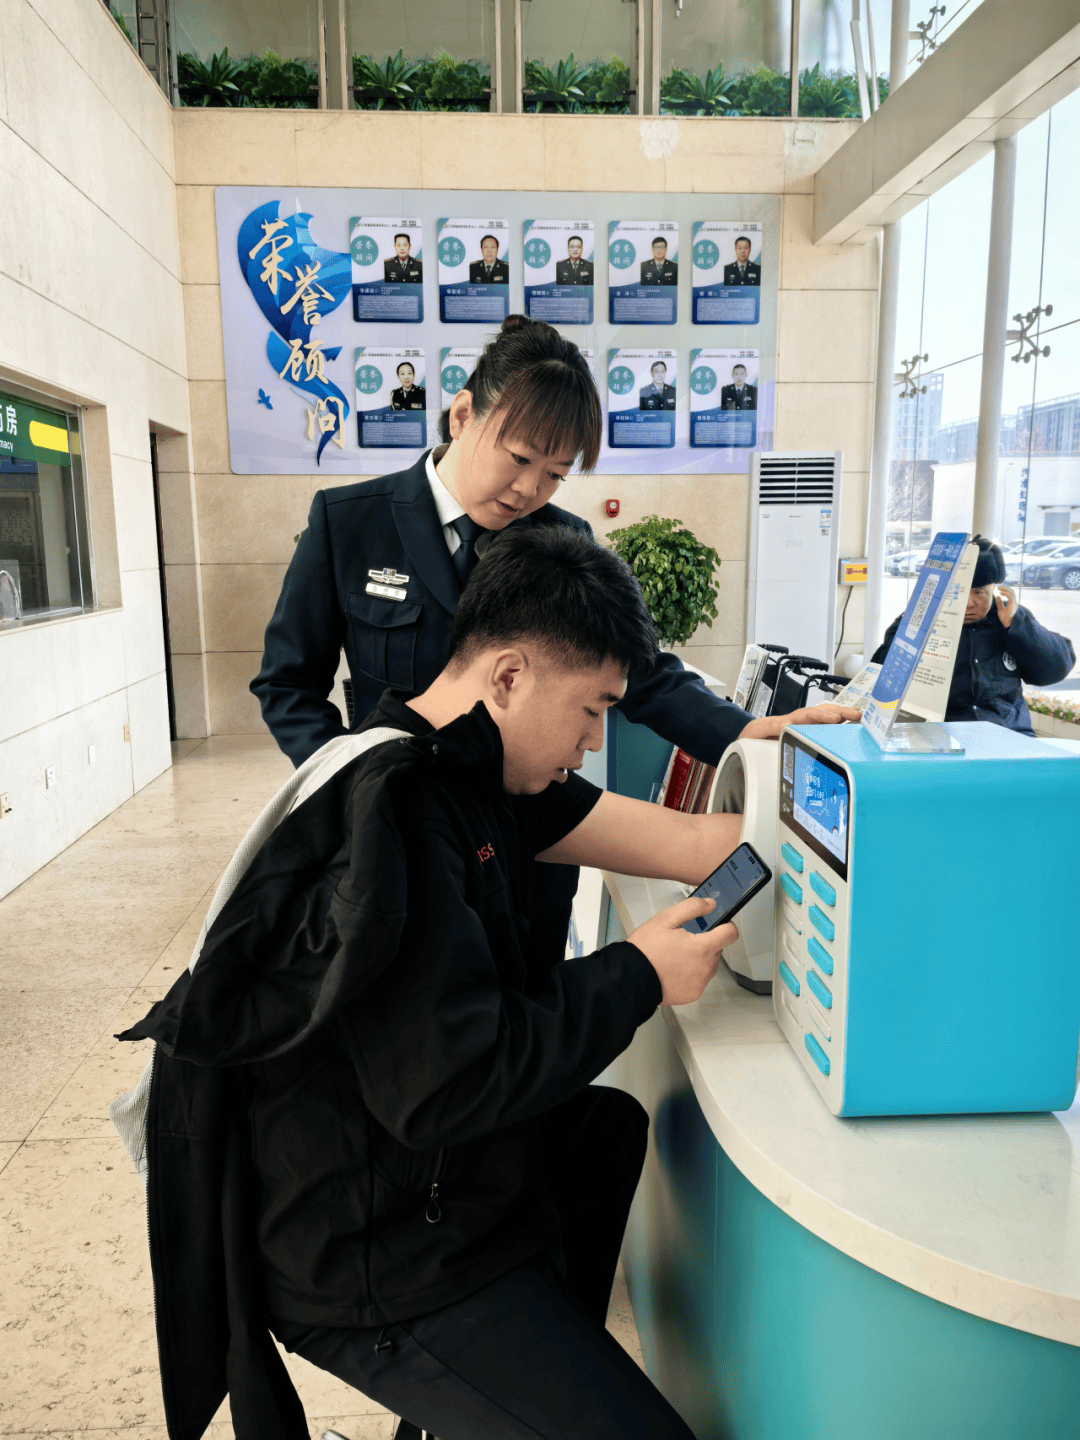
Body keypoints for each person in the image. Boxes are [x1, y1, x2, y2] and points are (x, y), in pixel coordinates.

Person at [121, 527, 747, 1440]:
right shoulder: (403, 815)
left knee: (600, 1133)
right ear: (509, 676)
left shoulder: (463, 770)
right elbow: (445, 1084)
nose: (592, 742)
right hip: (370, 1253)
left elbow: (691, 841)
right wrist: (638, 975)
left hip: (413, 1185)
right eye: (591, 709)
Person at [251, 315, 859, 974]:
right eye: (519, 459)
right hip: (403, 830)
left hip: (528, 832)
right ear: (463, 416)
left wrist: (742, 734)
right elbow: (287, 683)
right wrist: (354, 784)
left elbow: (643, 674)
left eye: (554, 475)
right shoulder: (349, 521)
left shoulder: (560, 539)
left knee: (529, 995)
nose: (528, 491)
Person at [871, 534, 1075, 734]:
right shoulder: (920, 617)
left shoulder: (1010, 615)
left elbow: (1055, 670)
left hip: (1007, 733)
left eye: (979, 593)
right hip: (942, 734)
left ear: (994, 589)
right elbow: (881, 676)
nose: (968, 603)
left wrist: (1017, 626)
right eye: (958, 591)